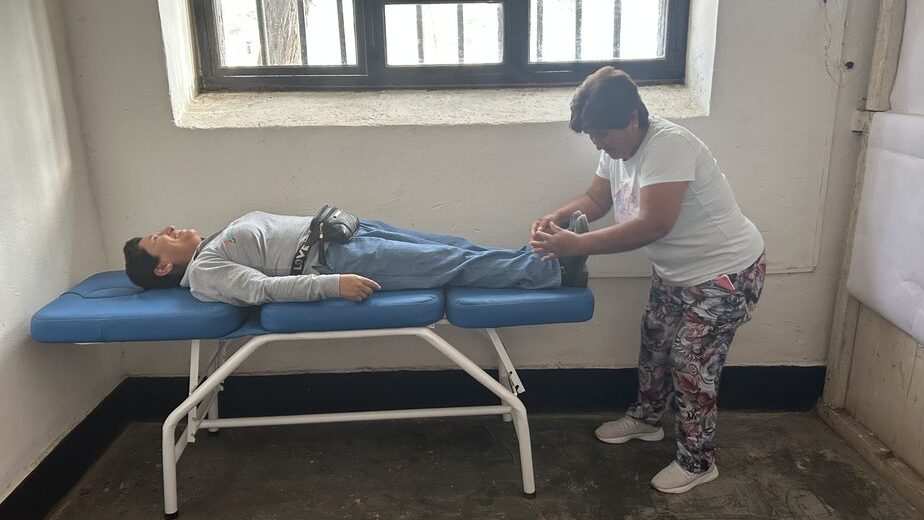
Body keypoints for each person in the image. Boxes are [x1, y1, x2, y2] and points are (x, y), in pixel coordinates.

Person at [529, 67, 766, 494]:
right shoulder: (618, 147)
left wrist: (575, 246)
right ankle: (646, 420)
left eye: (603, 134)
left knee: (690, 363)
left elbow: (652, 224)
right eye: (592, 136)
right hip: (676, 272)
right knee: (654, 344)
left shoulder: (669, 146)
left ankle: (698, 461)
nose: (598, 142)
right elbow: (599, 198)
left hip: (725, 273)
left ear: (633, 120)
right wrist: (558, 218)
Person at [123, 210, 590, 306]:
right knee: (453, 264)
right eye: (158, 239)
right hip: (335, 259)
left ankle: (540, 259)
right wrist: (335, 283)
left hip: (346, 231)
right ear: (164, 267)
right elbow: (262, 290)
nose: (168, 229)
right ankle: (554, 271)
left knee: (454, 247)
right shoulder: (206, 272)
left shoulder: (210, 246)